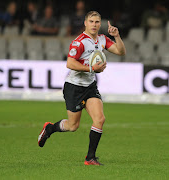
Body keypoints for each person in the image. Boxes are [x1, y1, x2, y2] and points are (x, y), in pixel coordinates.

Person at [38, 11, 126, 165]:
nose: (94, 24)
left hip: (90, 86)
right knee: (73, 126)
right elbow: (70, 63)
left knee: (100, 119)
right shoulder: (79, 42)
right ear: (85, 23)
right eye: (91, 21)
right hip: (74, 87)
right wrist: (92, 69)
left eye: (97, 22)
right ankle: (50, 129)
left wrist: (117, 36)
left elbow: (120, 52)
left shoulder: (103, 39)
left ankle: (90, 158)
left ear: (100, 24)